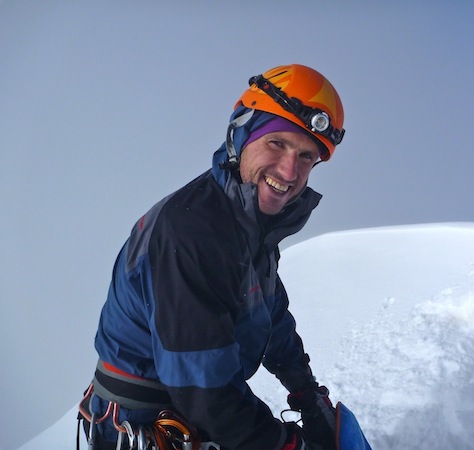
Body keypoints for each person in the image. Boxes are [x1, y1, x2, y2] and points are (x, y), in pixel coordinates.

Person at [78, 64, 346, 450]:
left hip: (188, 417)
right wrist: (285, 444)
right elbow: (205, 390)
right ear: (241, 133)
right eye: (277, 143)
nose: (290, 171)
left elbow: (272, 318)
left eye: (306, 156)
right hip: (146, 427)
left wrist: (305, 391)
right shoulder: (194, 232)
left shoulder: (248, 227)